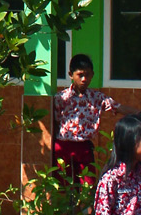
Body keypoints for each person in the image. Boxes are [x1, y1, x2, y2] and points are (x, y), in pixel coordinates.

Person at [53, 54, 130, 182]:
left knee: (87, 185)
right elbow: (54, 123)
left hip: (84, 148)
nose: (84, 79)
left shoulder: (97, 97)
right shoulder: (61, 98)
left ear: (92, 75)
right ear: (71, 74)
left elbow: (119, 107)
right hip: (63, 147)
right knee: (63, 186)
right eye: (80, 75)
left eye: (87, 75)